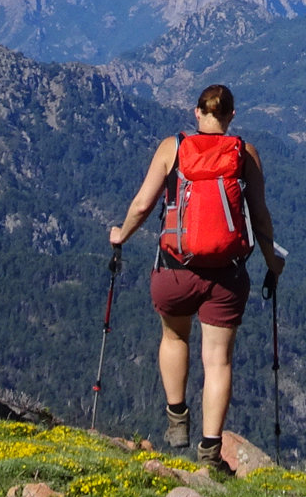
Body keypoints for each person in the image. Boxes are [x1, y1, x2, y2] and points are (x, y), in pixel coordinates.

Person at [109, 82, 285, 465]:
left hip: (174, 271)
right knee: (218, 360)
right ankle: (210, 449)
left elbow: (141, 205)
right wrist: (272, 261)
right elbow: (260, 216)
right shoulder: (245, 154)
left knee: (174, 337)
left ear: (197, 113)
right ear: (231, 115)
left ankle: (177, 417)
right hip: (226, 276)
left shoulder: (172, 148)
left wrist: (121, 234)